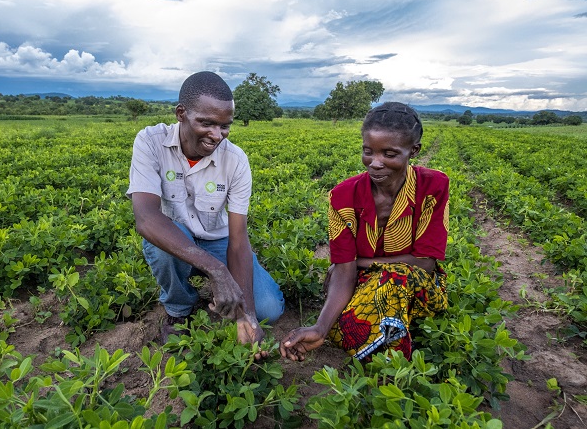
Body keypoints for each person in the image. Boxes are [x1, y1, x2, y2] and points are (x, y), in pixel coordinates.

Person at [280, 102, 449, 362]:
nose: (376, 163)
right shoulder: (343, 195)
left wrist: (360, 262)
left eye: (389, 154)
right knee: (339, 326)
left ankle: (393, 371)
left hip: (416, 284)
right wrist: (320, 327)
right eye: (368, 152)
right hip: (362, 281)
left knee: (394, 280)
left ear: (413, 150)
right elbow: (344, 270)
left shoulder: (433, 186)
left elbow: (424, 262)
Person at [127, 71, 284, 349]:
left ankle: (236, 302)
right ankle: (178, 310)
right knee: (162, 244)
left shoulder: (235, 160)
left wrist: (246, 315)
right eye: (207, 123)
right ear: (181, 113)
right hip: (176, 238)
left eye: (225, 126)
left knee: (268, 309)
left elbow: (237, 241)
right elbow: (147, 219)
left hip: (219, 242)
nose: (216, 135)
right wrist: (218, 272)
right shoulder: (150, 142)